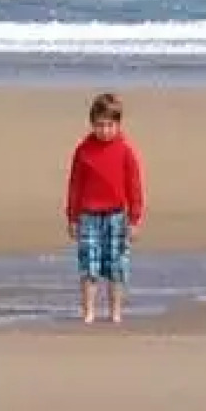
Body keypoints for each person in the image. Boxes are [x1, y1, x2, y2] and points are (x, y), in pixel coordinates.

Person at [64, 91, 145, 326]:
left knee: (117, 267)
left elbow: (134, 186)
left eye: (110, 125)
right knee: (89, 266)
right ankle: (88, 312)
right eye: (100, 125)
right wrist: (72, 218)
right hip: (88, 216)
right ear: (92, 124)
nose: (105, 130)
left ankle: (115, 312)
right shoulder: (84, 150)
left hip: (117, 216)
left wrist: (134, 220)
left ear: (118, 125)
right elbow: (75, 185)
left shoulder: (125, 151)